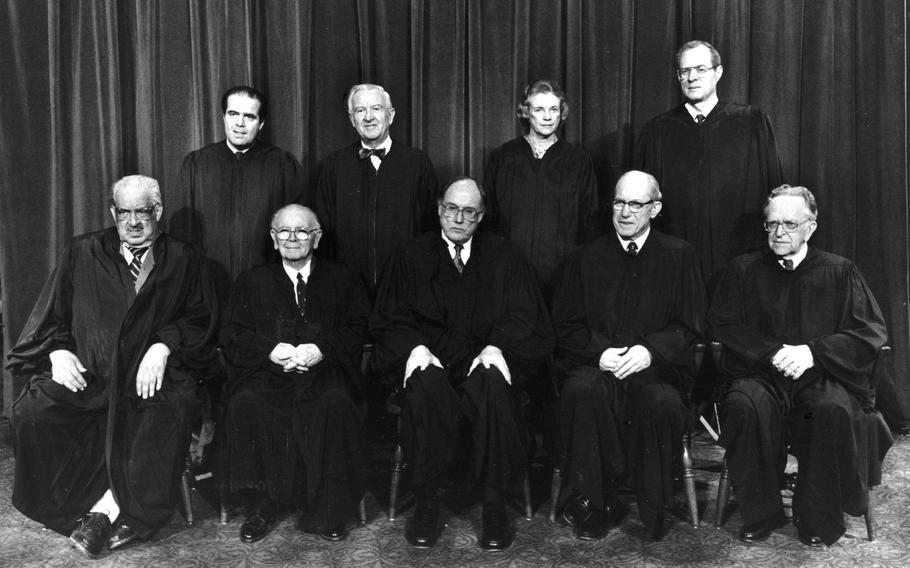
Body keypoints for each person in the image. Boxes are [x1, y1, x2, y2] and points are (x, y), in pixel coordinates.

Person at [7, 175, 217, 558]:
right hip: (92, 373)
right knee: (34, 410)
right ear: (112, 212)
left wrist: (164, 345)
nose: (133, 222)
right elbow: (51, 317)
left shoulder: (184, 258)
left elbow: (200, 319)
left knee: (165, 410)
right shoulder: (84, 251)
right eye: (124, 212)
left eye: (143, 212)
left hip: (151, 377)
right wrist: (57, 352)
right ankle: (82, 508)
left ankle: (113, 513)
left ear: (158, 212)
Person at [370, 177, 554, 551]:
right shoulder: (410, 255)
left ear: (481, 215)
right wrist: (415, 348)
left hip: (480, 360)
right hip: (431, 358)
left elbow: (525, 317)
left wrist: (498, 346)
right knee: (424, 385)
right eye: (452, 209)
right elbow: (388, 319)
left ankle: (494, 505)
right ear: (440, 208)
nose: (458, 218)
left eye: (469, 212)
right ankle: (427, 500)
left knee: (493, 387)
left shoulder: (506, 257)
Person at [708, 185, 891, 547]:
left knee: (830, 410)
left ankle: (815, 517)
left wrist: (812, 352)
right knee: (744, 405)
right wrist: (772, 352)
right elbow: (722, 323)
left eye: (789, 224)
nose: (778, 233)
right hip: (760, 374)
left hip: (819, 375)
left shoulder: (840, 271)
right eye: (771, 224)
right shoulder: (743, 269)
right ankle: (762, 512)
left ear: (811, 227)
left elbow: (869, 330)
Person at [551, 170, 707, 540]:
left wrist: (651, 350)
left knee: (660, 402)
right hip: (599, 365)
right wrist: (599, 352)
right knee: (580, 391)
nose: (624, 212)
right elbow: (566, 325)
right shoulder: (587, 257)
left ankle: (653, 508)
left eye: (635, 204)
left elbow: (692, 325)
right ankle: (597, 502)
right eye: (619, 202)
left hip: (654, 368)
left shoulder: (679, 254)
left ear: (655, 208)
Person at [218, 204, 369, 543]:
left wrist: (322, 349)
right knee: (246, 402)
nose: (292, 238)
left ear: (316, 238)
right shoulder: (252, 281)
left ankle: (330, 509)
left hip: (325, 372)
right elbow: (230, 333)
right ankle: (262, 505)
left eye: (301, 231)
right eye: (283, 232)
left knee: (335, 403)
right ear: (273, 239)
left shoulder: (343, 279)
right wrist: (270, 350)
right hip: (269, 373)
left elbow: (360, 328)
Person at [636, 40, 784, 283]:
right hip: (677, 262)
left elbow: (775, 192)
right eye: (685, 71)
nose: (692, 77)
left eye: (700, 69)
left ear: (718, 72)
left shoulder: (751, 122)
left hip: (740, 257)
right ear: (678, 76)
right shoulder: (658, 130)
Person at [169, 85, 305, 301]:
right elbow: (182, 233)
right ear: (223, 117)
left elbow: (297, 233)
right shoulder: (197, 163)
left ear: (261, 123)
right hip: (207, 288)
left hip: (266, 287)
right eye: (233, 114)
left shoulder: (282, 164)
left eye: (249, 117)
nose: (239, 124)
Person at [315, 83, 439, 293]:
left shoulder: (417, 163)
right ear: (352, 120)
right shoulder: (334, 165)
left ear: (390, 115)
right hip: (348, 290)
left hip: (405, 287)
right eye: (360, 110)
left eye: (376, 108)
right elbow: (323, 229)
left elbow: (430, 227)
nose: (368, 117)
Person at [484, 79, 599, 299]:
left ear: (561, 113)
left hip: (562, 275)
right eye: (539, 109)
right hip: (509, 273)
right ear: (526, 112)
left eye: (553, 109)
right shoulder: (503, 157)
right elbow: (489, 217)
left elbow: (589, 221)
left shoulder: (578, 161)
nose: (547, 117)